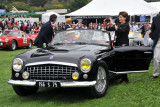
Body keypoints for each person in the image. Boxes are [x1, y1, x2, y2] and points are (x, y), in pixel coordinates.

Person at [107, 11, 130, 83]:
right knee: (118, 61)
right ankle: (120, 75)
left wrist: (115, 26)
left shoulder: (126, 25)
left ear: (125, 18)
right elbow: (110, 29)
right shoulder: (119, 24)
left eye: (120, 17)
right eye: (119, 17)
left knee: (123, 61)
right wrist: (108, 24)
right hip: (117, 44)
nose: (119, 18)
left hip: (124, 44)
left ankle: (125, 79)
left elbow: (121, 30)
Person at [148, 13, 160, 79]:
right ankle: (155, 74)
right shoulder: (155, 18)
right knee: (156, 57)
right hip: (158, 40)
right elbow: (152, 29)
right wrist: (150, 33)